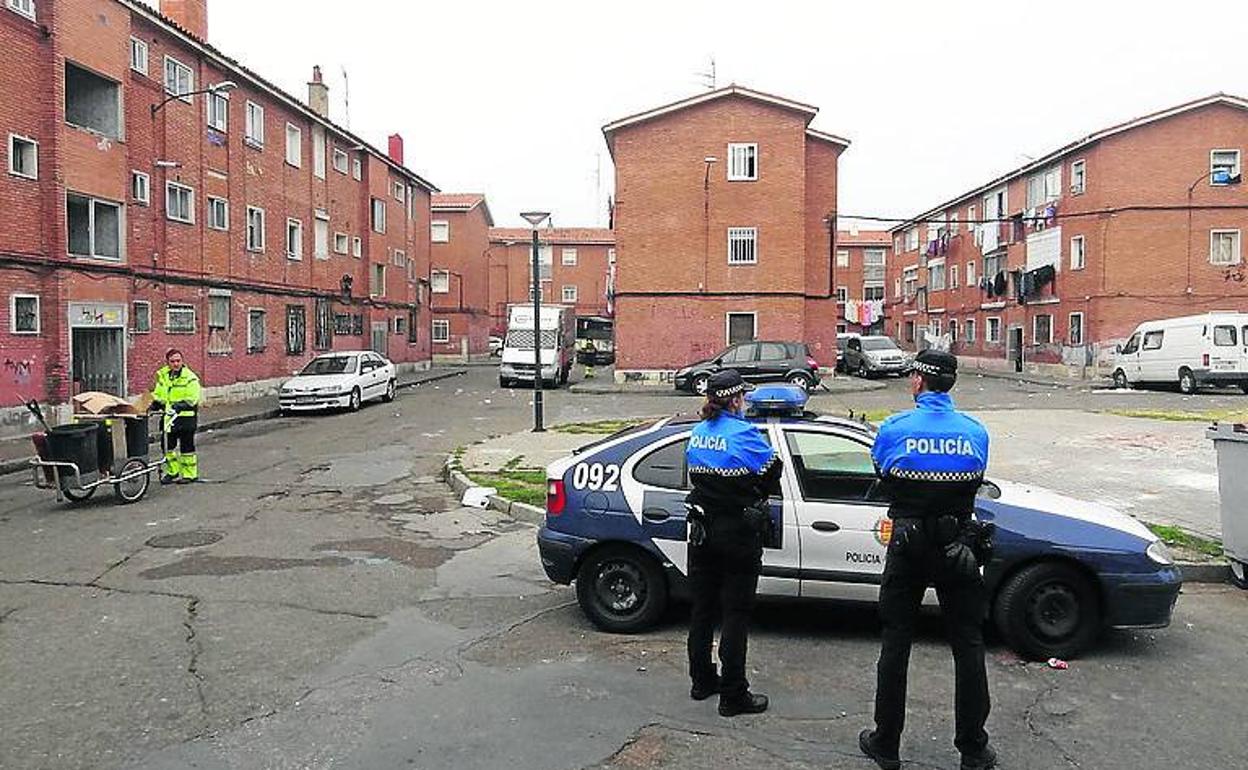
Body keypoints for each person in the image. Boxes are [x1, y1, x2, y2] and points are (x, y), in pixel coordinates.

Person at [859, 349, 996, 770]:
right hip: (958, 548)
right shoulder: (975, 432)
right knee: (968, 645)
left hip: (907, 545)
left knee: (896, 641)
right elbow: (974, 485)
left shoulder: (895, 428)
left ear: (918, 382)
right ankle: (973, 749)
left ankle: (886, 745)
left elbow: (881, 472)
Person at [684, 369, 782, 717]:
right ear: (737, 400)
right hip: (737, 534)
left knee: (702, 611)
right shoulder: (745, 434)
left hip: (701, 534)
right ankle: (733, 694)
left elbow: (693, 476)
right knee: (735, 615)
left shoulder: (698, 433)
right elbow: (774, 471)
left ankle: (701, 681)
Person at [151, 348, 202, 484]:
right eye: (172, 361)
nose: (176, 364)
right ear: (167, 362)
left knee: (187, 448)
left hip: (186, 418)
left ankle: (189, 475)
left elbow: (192, 398)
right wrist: (154, 404)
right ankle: (173, 472)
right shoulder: (163, 377)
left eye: (178, 361)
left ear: (182, 361)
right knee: (167, 446)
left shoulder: (190, 377)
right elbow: (159, 395)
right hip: (169, 418)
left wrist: (178, 406)